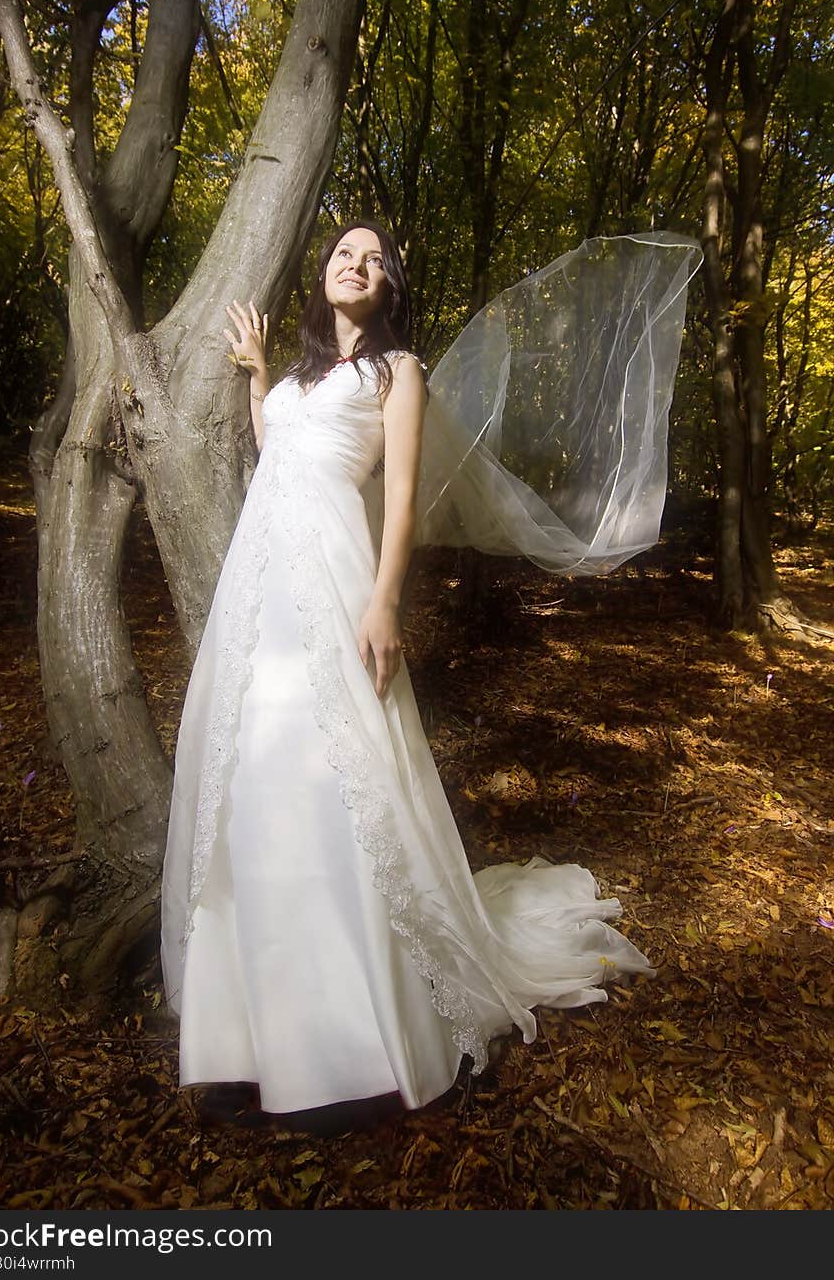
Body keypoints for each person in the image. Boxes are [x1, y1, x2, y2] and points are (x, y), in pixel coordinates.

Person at [160, 219, 698, 1130]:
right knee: (259, 769)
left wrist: (385, 602)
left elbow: (400, 494)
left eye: (373, 260)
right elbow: (278, 455)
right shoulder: (296, 381)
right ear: (323, 274)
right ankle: (253, 1029)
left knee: (345, 773)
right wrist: (258, 380)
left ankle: (359, 1032)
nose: (355, 266)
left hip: (335, 577)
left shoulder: (398, 374)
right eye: (341, 254)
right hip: (257, 592)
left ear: (389, 285)